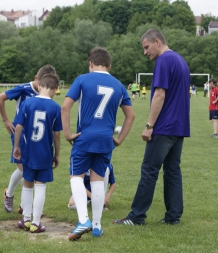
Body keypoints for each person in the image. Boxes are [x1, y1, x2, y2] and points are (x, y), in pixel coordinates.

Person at [113, 29, 190, 226]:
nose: (145, 52)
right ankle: (173, 217)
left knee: (149, 170)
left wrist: (149, 126)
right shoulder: (181, 61)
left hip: (163, 128)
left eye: (147, 47)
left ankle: (136, 216)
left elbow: (159, 95)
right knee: (173, 171)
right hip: (179, 127)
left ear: (157, 42)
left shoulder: (163, 61)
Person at [61, 46, 135, 240]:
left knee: (76, 176)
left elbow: (65, 107)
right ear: (109, 65)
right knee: (97, 180)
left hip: (84, 136)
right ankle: (96, 226)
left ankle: (83, 219)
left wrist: (68, 133)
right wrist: (119, 139)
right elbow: (131, 115)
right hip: (105, 139)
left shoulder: (82, 79)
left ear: (90, 63)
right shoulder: (119, 85)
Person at [0, 65, 56, 213]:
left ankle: (24, 206)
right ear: (37, 79)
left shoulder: (46, 95)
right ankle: (9, 194)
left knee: (30, 169)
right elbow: (0, 98)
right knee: (23, 168)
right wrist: (6, 120)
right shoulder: (23, 89)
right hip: (20, 134)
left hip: (36, 137)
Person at [13, 73, 62, 233]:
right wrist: (57, 154)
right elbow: (57, 134)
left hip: (28, 151)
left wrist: (16, 146)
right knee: (40, 186)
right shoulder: (55, 107)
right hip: (45, 153)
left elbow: (19, 126)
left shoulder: (28, 103)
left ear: (39, 85)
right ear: (55, 89)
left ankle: (26, 219)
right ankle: (36, 222)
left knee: (27, 184)